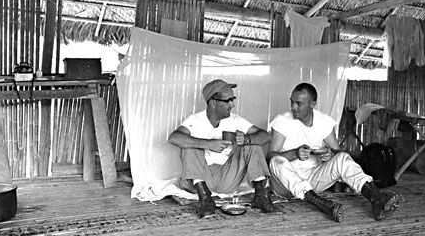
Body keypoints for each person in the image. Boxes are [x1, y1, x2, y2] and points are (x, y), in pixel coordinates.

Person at [267, 82, 401, 222]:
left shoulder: (323, 121)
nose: (293, 107)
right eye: (292, 102)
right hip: (284, 185)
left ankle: (376, 197)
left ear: (313, 104)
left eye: (299, 104)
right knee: (277, 161)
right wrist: (294, 153)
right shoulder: (282, 121)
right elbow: (270, 157)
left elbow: (338, 151)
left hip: (313, 181)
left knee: (342, 157)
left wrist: (331, 153)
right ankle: (322, 204)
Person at [168, 79, 280, 218]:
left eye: (233, 99)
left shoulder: (235, 120)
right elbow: (174, 138)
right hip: (203, 179)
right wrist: (208, 144)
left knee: (252, 144)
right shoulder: (195, 120)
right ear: (213, 102)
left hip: (229, 177)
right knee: (189, 146)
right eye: (228, 100)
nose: (232, 105)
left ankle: (261, 197)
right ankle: (206, 200)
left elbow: (265, 136)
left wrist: (246, 139)